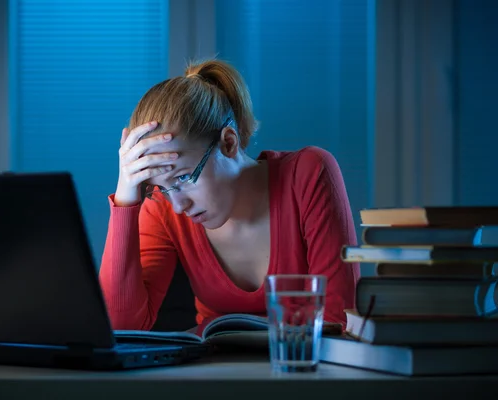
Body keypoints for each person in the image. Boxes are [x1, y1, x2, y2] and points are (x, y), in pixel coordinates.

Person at [99, 59, 360, 331]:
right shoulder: (162, 209)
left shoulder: (308, 174)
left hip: (298, 370)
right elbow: (122, 327)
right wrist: (126, 198)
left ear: (228, 142)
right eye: (160, 188)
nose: (178, 206)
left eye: (184, 178)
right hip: (212, 372)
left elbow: (336, 323)